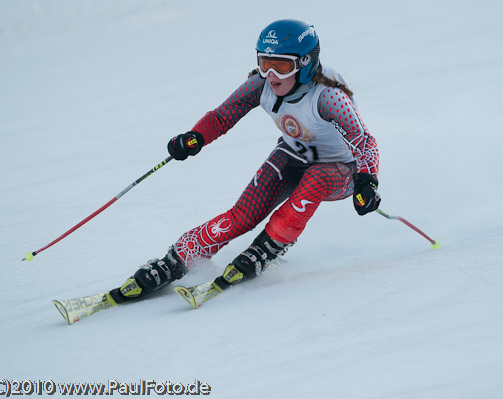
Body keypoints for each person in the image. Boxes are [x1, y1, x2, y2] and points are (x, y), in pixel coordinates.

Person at [108, 19, 380, 306]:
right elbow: (222, 116)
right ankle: (177, 258)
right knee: (243, 215)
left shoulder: (328, 97)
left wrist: (367, 180)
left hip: (342, 172)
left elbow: (364, 142)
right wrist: (195, 137)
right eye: (264, 63)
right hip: (293, 157)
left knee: (315, 180)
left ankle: (270, 246)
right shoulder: (261, 85)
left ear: (306, 64)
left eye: (282, 66)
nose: (271, 75)